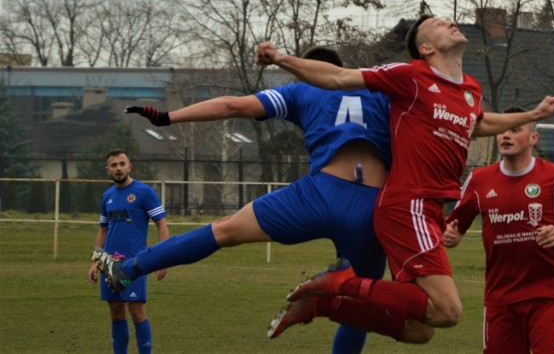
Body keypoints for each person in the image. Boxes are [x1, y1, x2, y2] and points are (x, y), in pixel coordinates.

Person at [254, 14, 554, 344]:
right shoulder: (410, 75)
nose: (450, 22)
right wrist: (281, 58)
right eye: (439, 23)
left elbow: (478, 124)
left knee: (421, 329)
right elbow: (338, 77)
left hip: (429, 211)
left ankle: (323, 304)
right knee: (449, 310)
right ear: (426, 48)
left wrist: (533, 115)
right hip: (408, 205)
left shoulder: (470, 90)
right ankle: (340, 283)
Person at [92, 46, 391, 353]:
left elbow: (231, 106)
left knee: (223, 230)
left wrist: (168, 117)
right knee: (358, 311)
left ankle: (128, 269)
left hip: (321, 194)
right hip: (373, 206)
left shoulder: (303, 90)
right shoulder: (382, 88)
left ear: (305, 68)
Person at [442, 106, 554, 353]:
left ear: (533, 138)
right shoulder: (479, 180)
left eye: (514, 130)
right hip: (500, 299)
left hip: (547, 295)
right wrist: (450, 236)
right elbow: (452, 231)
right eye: (502, 130)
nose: (505, 135)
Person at [88, 149, 170, 354]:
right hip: (109, 264)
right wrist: (95, 262)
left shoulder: (144, 192)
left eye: (122, 164)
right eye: (114, 165)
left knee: (137, 312)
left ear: (129, 166)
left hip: (134, 263)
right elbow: (103, 230)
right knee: (116, 313)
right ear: (108, 170)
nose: (118, 168)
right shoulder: (107, 196)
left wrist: (164, 257)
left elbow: (161, 224)